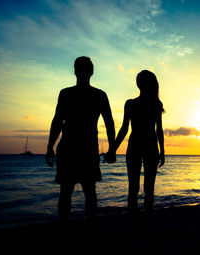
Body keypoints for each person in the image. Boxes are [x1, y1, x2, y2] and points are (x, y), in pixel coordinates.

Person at [45, 56, 115, 232]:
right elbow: (109, 124)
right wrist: (112, 149)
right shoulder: (97, 95)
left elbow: (57, 122)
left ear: (75, 71)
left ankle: (66, 229)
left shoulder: (68, 93)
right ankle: (88, 229)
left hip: (74, 148)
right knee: (87, 192)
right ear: (91, 72)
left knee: (68, 192)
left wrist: (49, 147)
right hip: (82, 149)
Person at [106, 70, 165, 214]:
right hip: (148, 147)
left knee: (135, 187)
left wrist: (113, 149)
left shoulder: (134, 104)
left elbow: (125, 129)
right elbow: (158, 131)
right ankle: (145, 218)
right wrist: (162, 151)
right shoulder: (153, 104)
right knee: (147, 188)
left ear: (138, 84)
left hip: (137, 147)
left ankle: (134, 218)